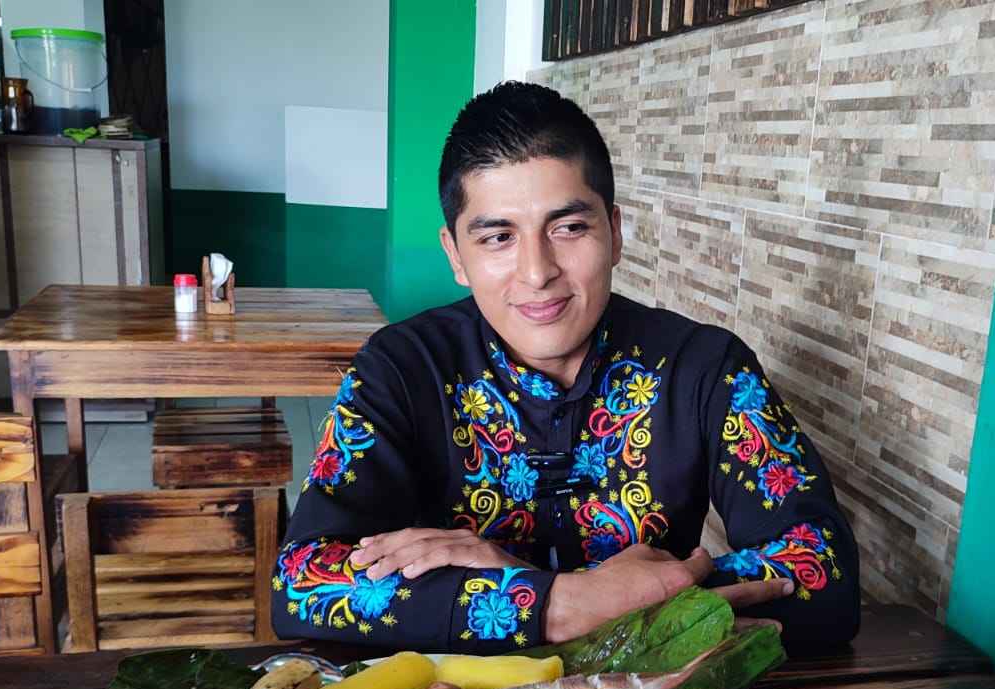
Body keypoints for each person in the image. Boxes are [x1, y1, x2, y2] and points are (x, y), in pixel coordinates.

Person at [271, 81, 859, 653]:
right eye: (498, 237)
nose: (537, 272)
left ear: (615, 233)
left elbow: (823, 569)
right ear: (456, 255)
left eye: (569, 227)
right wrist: (557, 602)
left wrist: (555, 593)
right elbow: (301, 583)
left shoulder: (704, 367)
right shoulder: (401, 368)